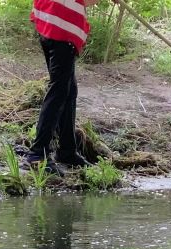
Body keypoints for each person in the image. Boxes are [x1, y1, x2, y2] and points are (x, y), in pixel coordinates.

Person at [26, 0, 100, 170]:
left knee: (68, 90)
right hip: (60, 26)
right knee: (59, 91)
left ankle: (67, 150)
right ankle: (37, 153)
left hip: (49, 22)